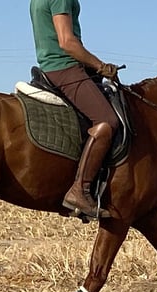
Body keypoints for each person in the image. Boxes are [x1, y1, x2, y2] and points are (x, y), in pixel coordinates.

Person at [30, 0, 120, 219]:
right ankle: (80, 189)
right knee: (107, 121)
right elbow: (67, 42)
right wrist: (101, 66)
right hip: (63, 68)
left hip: (55, 67)